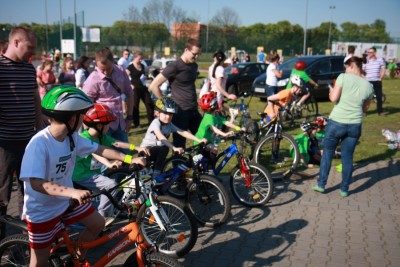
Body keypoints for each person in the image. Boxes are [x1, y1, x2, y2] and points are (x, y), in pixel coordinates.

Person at [19, 86, 145, 266]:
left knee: (97, 224)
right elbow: (37, 183)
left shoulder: (72, 138)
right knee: (39, 261)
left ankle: (77, 258)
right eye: (82, 116)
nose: (84, 121)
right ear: (72, 118)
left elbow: (99, 148)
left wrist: (128, 158)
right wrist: (72, 192)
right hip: (42, 212)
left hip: (64, 203)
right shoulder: (39, 144)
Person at [0, 27, 43, 241]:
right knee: (2, 193)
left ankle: (25, 238)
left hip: (28, 141)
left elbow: (35, 98)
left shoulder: (28, 68)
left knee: (29, 191)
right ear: (16, 42)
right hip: (4, 144)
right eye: (30, 48)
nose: (32, 54)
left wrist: (39, 126)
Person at [72, 103, 148, 219]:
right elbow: (96, 153)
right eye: (107, 124)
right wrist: (110, 163)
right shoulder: (85, 138)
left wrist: (136, 147)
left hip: (92, 172)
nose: (109, 127)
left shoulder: (101, 137)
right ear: (99, 125)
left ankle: (103, 213)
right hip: (82, 175)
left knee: (106, 190)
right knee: (111, 185)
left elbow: (116, 143)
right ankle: (102, 217)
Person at [312, 56, 373, 197]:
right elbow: (365, 109)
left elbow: (333, 98)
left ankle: (321, 184)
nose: (345, 69)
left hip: (337, 122)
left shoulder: (343, 77)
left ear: (352, 66)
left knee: (327, 153)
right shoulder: (368, 86)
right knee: (347, 157)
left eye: (346, 66)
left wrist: (330, 91)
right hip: (355, 125)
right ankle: (344, 189)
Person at [149, 38, 203, 148]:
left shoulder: (194, 66)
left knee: (204, 140)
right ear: (186, 50)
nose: (196, 57)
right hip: (180, 112)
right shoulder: (175, 66)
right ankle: (178, 163)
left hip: (193, 110)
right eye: (194, 54)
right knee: (179, 145)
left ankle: (201, 164)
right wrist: (165, 104)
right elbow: (153, 86)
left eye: (199, 54)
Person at [140, 97, 206, 183]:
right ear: (157, 113)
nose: (168, 116)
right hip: (146, 152)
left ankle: (157, 176)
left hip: (157, 152)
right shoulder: (155, 123)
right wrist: (173, 148)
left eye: (171, 114)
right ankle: (157, 174)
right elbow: (161, 137)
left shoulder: (169, 124)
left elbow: (182, 132)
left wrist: (199, 139)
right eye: (165, 113)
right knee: (164, 148)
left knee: (163, 150)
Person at [83, 47, 133, 146]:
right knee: (101, 158)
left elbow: (130, 94)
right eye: (102, 69)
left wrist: (129, 118)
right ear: (96, 63)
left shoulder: (121, 71)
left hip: (119, 123)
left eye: (108, 69)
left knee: (125, 155)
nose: (106, 72)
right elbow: (85, 105)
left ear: (113, 61)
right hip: (101, 125)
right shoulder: (93, 79)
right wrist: (88, 128)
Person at [126, 51, 154, 128]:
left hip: (143, 87)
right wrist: (130, 85)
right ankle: (137, 123)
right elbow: (125, 78)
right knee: (135, 106)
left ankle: (151, 122)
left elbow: (143, 75)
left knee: (150, 104)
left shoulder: (142, 66)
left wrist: (146, 78)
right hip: (135, 89)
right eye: (139, 59)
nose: (141, 60)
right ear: (135, 58)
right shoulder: (130, 67)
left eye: (142, 58)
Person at [362, 47, 386, 116]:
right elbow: (363, 71)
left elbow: (383, 69)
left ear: (375, 53)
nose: (369, 53)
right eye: (368, 52)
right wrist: (364, 77)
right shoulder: (365, 61)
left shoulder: (380, 60)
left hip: (377, 81)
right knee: (366, 97)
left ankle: (380, 111)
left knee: (379, 96)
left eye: (371, 52)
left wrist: (381, 77)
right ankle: (364, 111)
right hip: (368, 81)